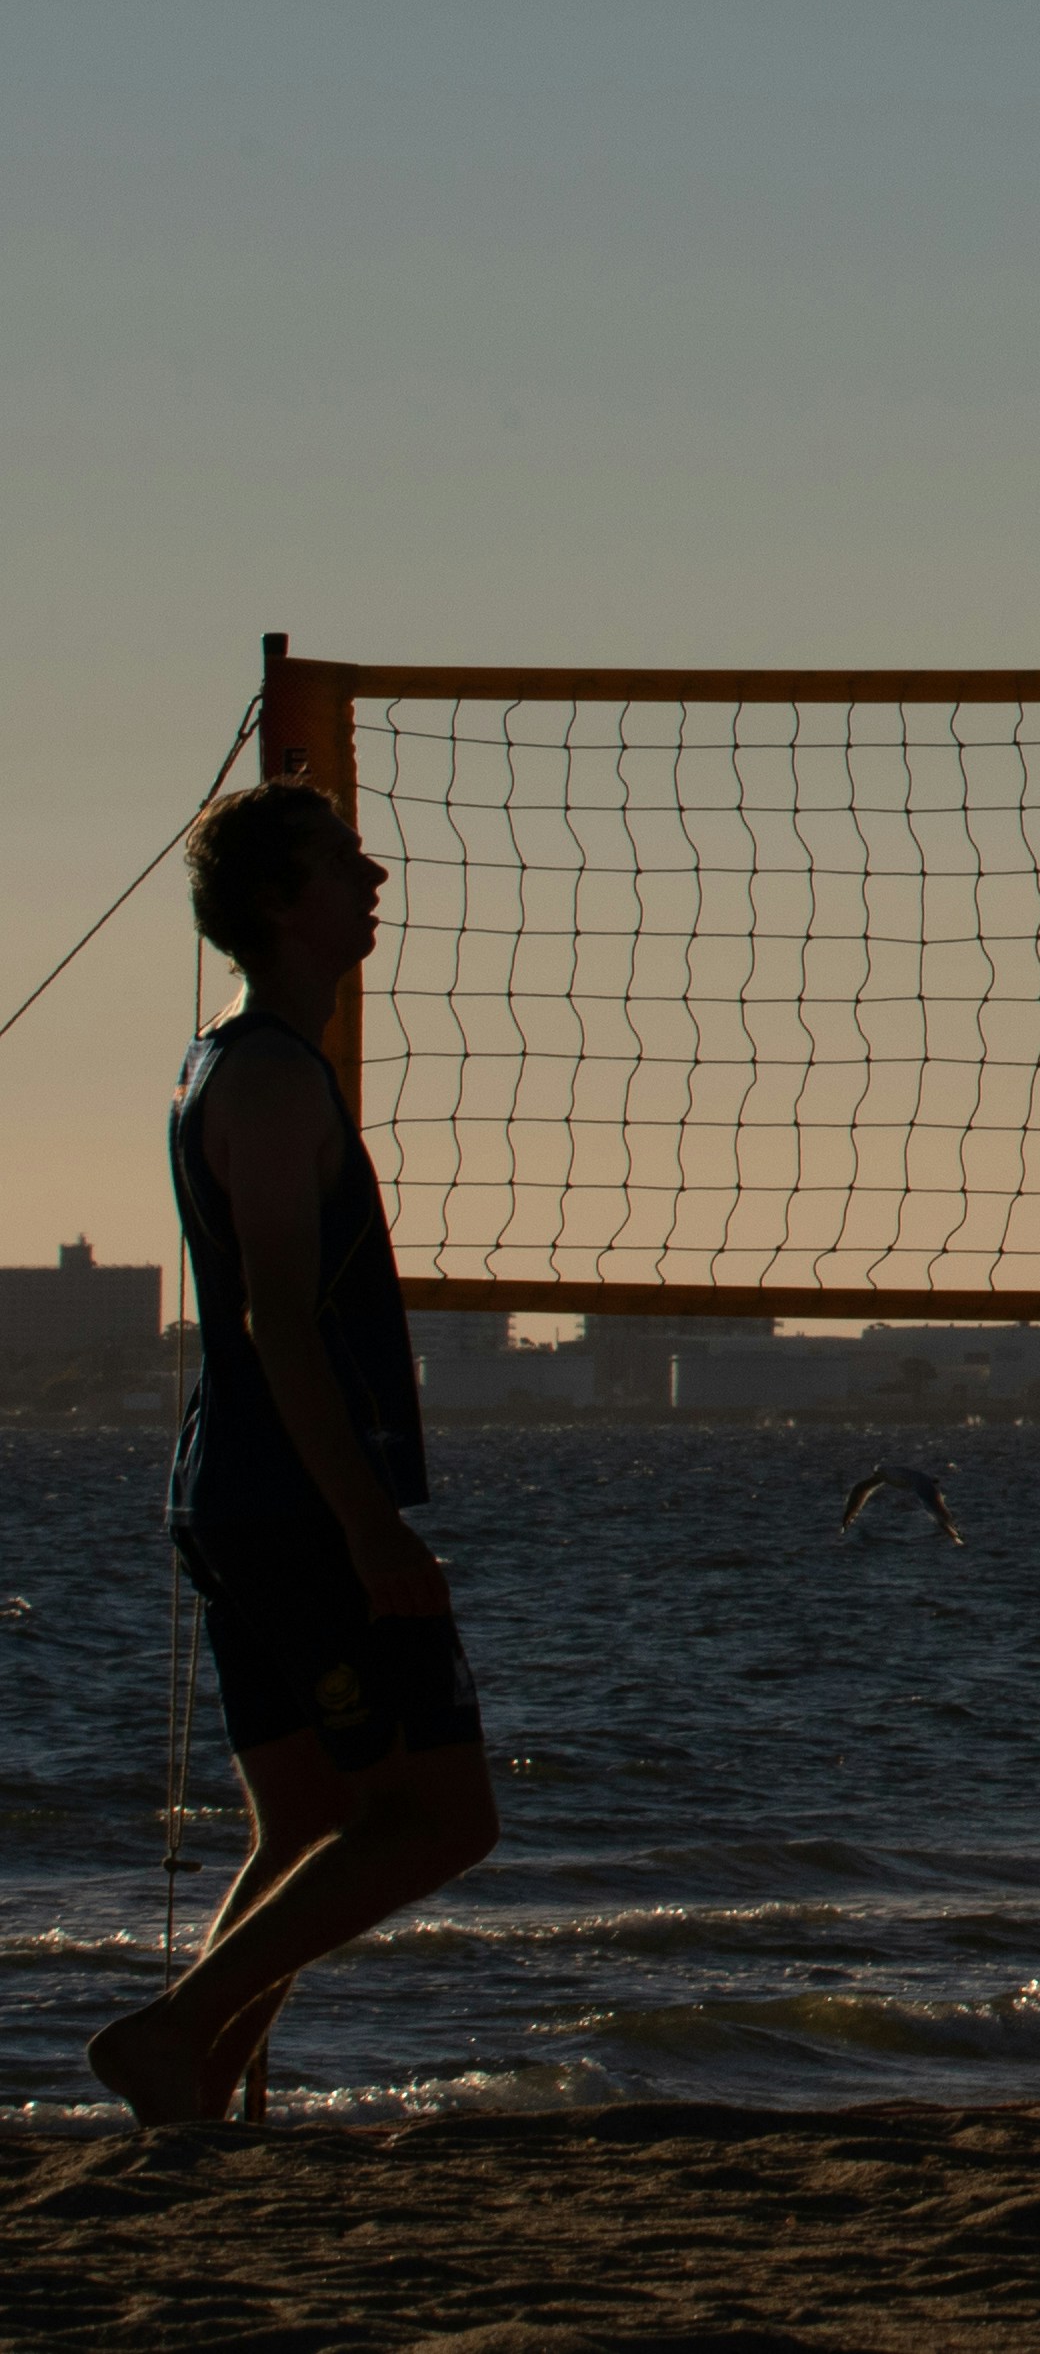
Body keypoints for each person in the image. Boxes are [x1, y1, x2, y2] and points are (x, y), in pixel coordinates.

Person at [85, 784, 496, 2127]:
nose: (373, 876)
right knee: (443, 1817)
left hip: (244, 1489)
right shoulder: (260, 1073)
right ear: (277, 900)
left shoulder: (255, 1063)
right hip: (285, 1494)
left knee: (310, 1816)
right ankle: (178, 2031)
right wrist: (370, 1522)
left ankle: (202, 2079)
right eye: (340, 862)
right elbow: (272, 1318)